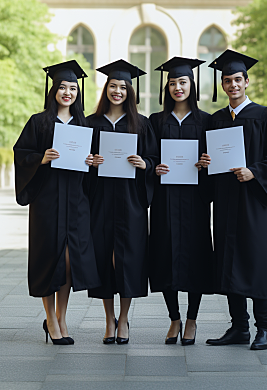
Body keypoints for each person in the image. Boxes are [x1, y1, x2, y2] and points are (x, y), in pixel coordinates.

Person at [199, 50, 267, 350]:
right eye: (227, 80)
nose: (233, 85)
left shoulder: (264, 116)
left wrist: (255, 171)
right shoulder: (217, 120)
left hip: (251, 201)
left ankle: (265, 328)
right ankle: (239, 327)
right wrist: (205, 162)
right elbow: (208, 164)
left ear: (247, 81)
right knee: (227, 259)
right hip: (224, 200)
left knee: (255, 261)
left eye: (238, 79)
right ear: (222, 85)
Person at [14, 60, 100, 345]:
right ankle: (50, 319)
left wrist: (90, 162)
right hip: (47, 202)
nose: (67, 92)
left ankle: (62, 316)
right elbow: (20, 153)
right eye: (62, 87)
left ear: (78, 93)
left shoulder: (84, 125)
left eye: (73, 88)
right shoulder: (39, 122)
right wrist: (41, 158)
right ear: (53, 91)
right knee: (48, 260)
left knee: (68, 262)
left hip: (76, 201)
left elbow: (91, 164)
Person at [86, 59, 158, 345]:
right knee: (103, 257)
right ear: (106, 90)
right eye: (113, 86)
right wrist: (90, 161)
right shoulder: (91, 123)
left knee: (129, 260)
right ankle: (108, 319)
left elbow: (154, 159)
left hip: (131, 202)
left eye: (122, 87)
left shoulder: (141, 124)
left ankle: (124, 319)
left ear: (130, 92)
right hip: (101, 200)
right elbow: (82, 160)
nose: (117, 91)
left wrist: (145, 163)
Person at [149, 57, 214, 346]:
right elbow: (149, 157)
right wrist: (154, 167)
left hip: (194, 201)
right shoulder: (156, 121)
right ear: (167, 87)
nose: (177, 87)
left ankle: (191, 320)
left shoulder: (207, 121)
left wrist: (206, 163)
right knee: (163, 254)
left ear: (192, 85)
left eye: (183, 82)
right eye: (173, 82)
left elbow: (219, 162)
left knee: (196, 257)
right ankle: (174, 317)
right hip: (164, 200)